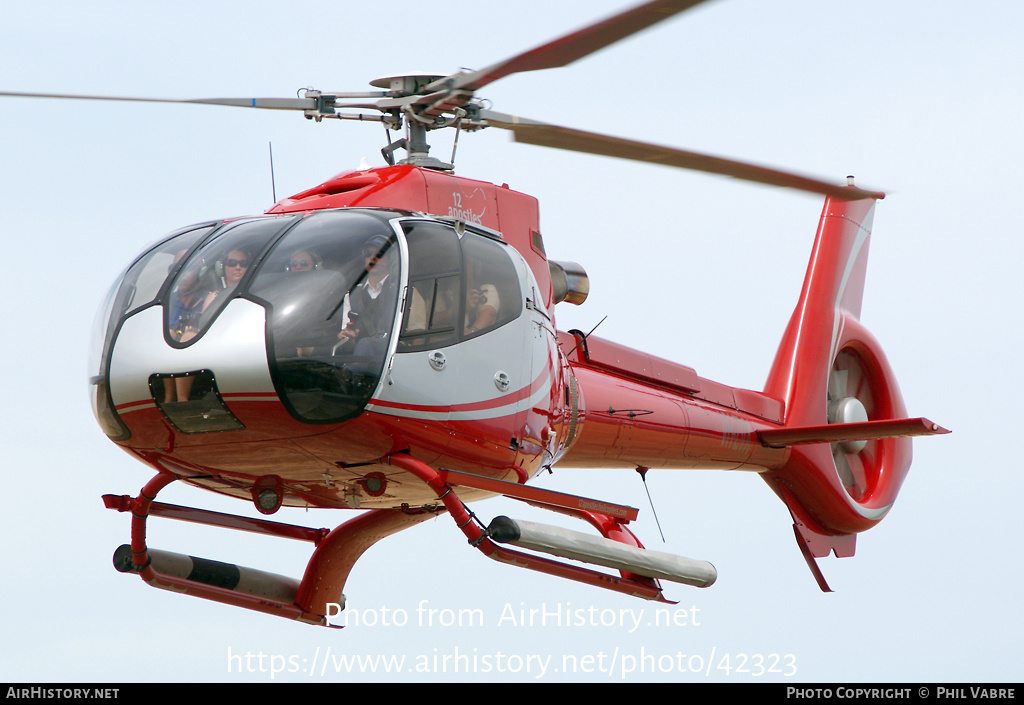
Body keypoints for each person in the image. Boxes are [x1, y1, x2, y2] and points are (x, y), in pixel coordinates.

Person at [336, 236, 398, 363]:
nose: (373, 257)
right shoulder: (351, 295)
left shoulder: (401, 289)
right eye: (368, 253)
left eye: (380, 253)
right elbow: (347, 337)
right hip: (363, 358)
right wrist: (346, 336)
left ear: (390, 259)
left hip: (393, 356)